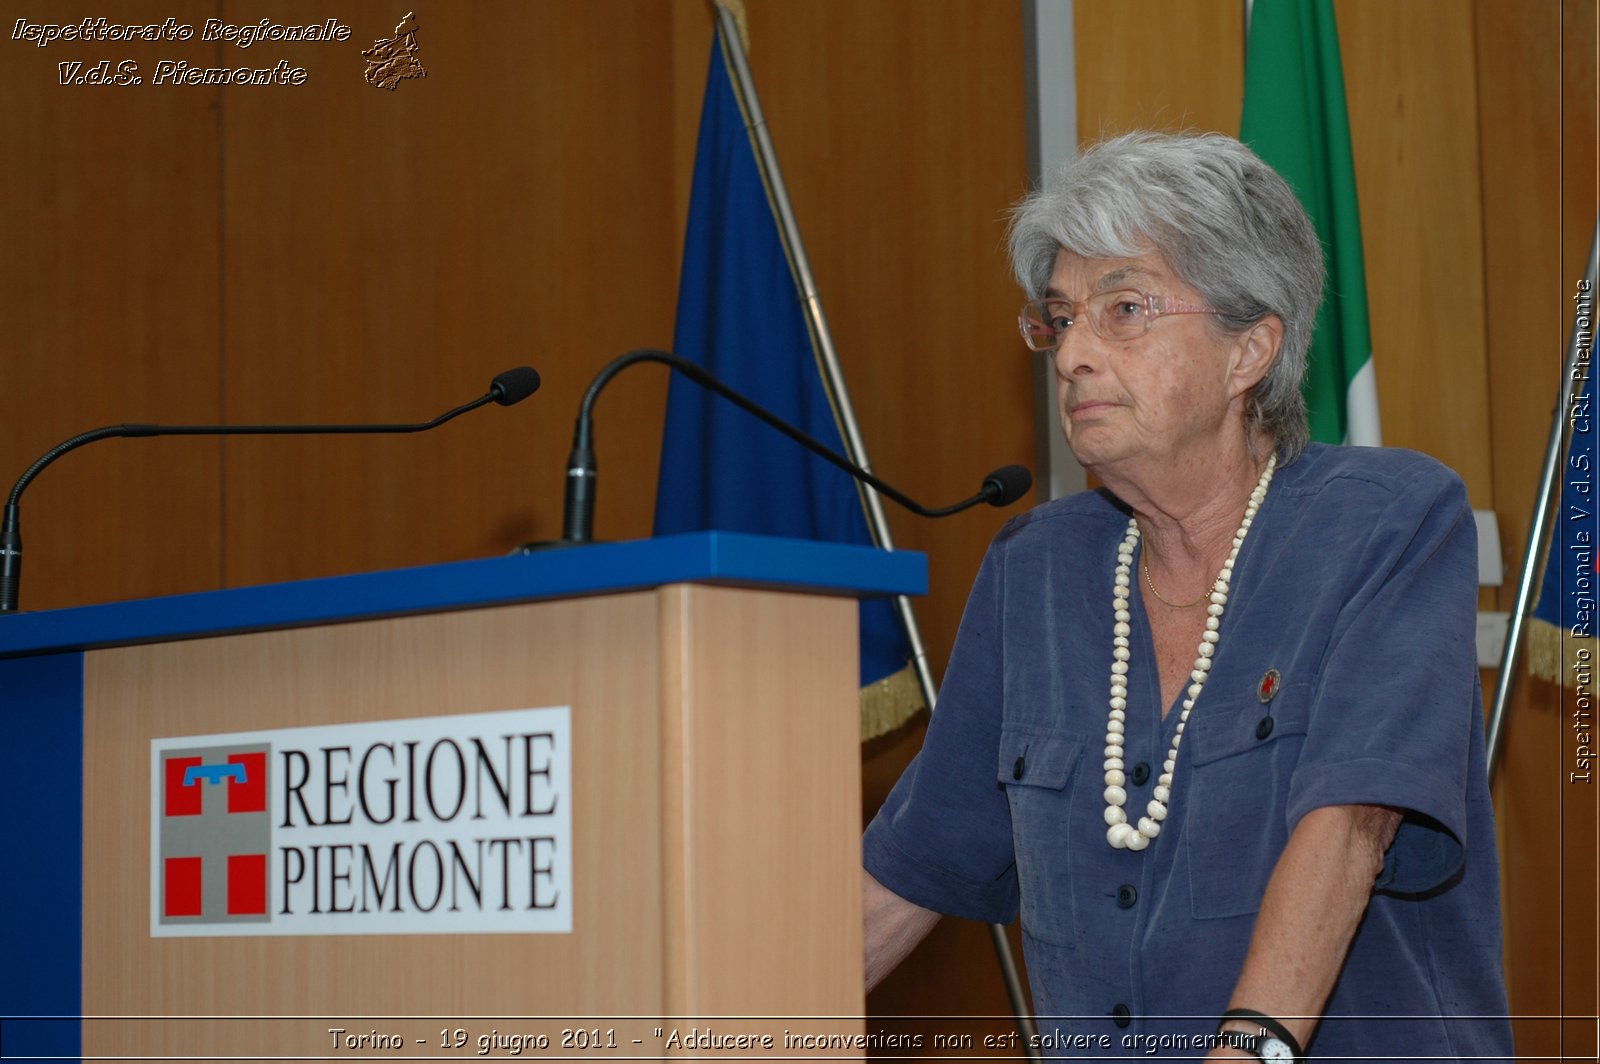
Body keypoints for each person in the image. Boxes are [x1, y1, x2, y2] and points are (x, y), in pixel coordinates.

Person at [861, 131, 1512, 1062]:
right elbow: (909, 874)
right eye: (1059, 318)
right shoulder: (1035, 570)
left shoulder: (1389, 523)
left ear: (1250, 349)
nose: (1073, 353)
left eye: (1123, 310)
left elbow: (1350, 831)